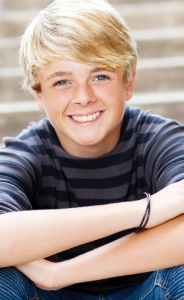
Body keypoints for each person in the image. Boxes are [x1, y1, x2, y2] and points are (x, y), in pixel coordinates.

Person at [0, 0, 184, 299]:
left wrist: (60, 274)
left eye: (100, 76)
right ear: (39, 94)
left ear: (128, 81)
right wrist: (145, 212)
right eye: (62, 81)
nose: (83, 97)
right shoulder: (26, 153)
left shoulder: (159, 139)